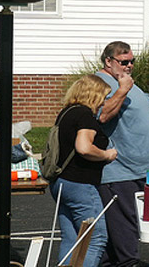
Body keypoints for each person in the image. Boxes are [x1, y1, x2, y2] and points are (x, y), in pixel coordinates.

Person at [96, 41, 149, 267]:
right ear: (108, 61)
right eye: (123, 62)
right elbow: (102, 115)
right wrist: (123, 89)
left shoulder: (127, 83)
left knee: (127, 234)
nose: (129, 66)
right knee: (124, 238)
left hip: (145, 171)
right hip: (121, 173)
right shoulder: (101, 83)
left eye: (132, 62)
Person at [49, 74, 118, 267]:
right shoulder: (85, 115)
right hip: (80, 184)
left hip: (61, 183)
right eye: (103, 97)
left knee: (71, 239)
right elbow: (84, 148)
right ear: (93, 95)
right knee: (95, 238)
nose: (104, 103)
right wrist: (106, 154)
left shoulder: (66, 113)